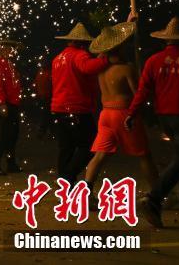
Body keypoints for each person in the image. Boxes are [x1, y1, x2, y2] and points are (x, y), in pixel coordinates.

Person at [84, 22, 158, 197]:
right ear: (120, 47)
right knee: (144, 155)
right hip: (124, 114)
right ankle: (158, 194)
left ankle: (86, 193)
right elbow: (138, 93)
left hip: (105, 114)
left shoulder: (100, 68)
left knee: (100, 155)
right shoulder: (126, 69)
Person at [127, 17, 179, 228]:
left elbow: (143, 91)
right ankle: (153, 198)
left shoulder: (153, 61)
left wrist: (132, 113)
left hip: (165, 118)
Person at [50, 22, 106, 182]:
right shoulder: (80, 55)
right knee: (89, 145)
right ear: (83, 43)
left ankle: (64, 181)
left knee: (66, 147)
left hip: (59, 107)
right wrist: (106, 59)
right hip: (76, 108)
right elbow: (88, 68)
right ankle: (68, 176)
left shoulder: (58, 58)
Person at [0, 39, 23, 175]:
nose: (10, 50)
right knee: (5, 134)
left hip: (12, 103)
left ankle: (11, 163)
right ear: (0, 50)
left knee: (13, 134)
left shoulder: (10, 64)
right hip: (5, 103)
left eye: (11, 48)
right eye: (7, 48)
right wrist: (2, 103)